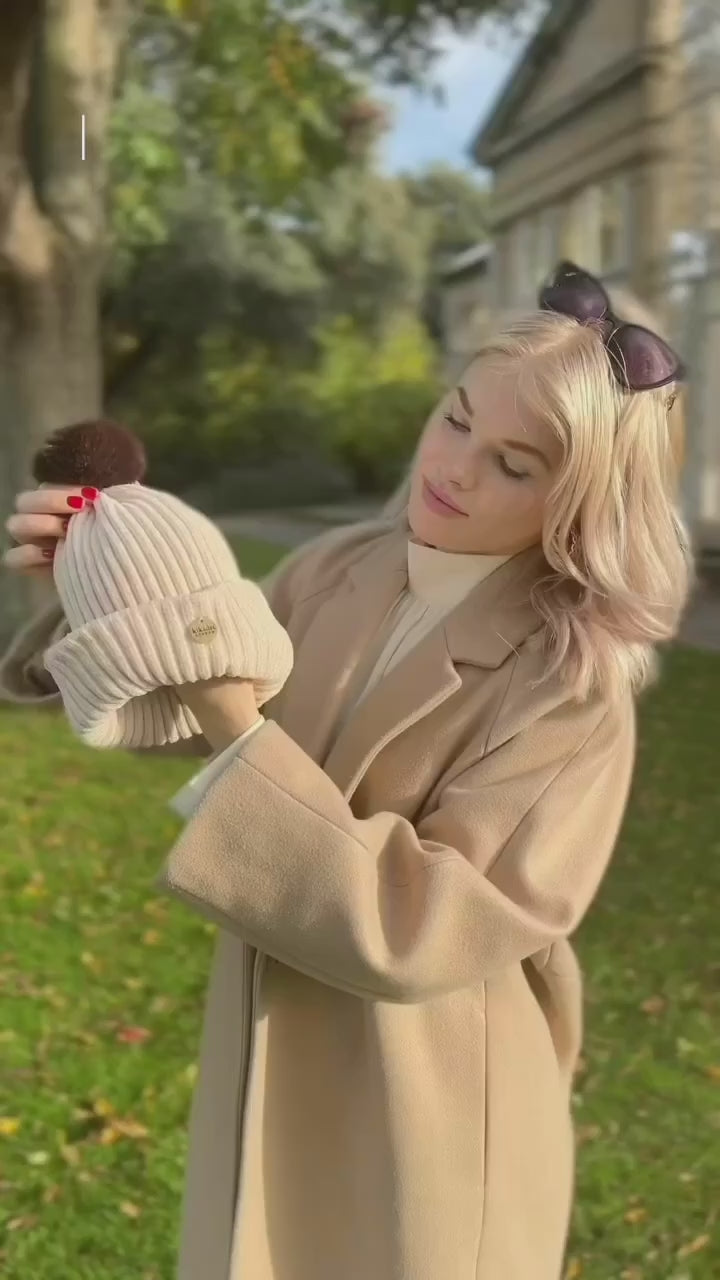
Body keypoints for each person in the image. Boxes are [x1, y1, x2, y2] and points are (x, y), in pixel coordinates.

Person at [1, 263, 692, 1280]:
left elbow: (424, 924)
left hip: (430, 1082)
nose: (453, 466)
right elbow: (194, 697)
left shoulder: (570, 684)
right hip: (278, 1022)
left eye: (513, 462)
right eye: (456, 418)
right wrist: (99, 585)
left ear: (581, 501)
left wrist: (235, 718)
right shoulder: (339, 567)